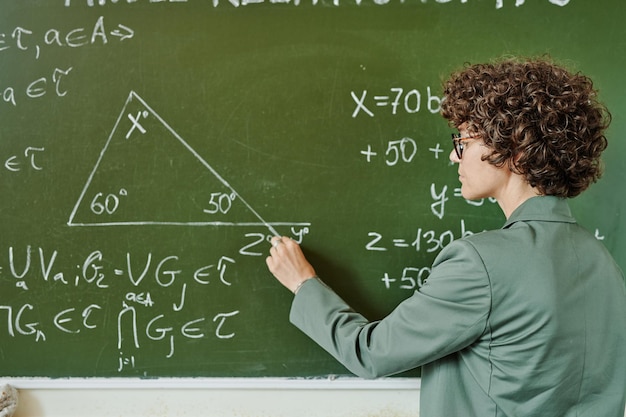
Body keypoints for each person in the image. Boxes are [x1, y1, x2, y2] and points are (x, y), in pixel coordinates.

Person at [265, 57, 626, 417]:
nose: (455, 156)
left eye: (464, 141)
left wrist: (303, 283)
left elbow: (371, 352)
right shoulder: (604, 264)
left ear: (514, 146)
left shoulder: (480, 263)